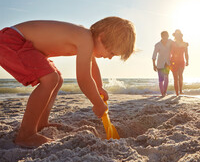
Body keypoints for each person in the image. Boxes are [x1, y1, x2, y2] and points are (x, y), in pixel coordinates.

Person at [0, 17, 136, 147]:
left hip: (22, 44)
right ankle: (26, 134)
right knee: (50, 78)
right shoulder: (85, 39)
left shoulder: (86, 38)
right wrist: (97, 103)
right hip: (12, 41)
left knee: (57, 79)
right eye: (111, 52)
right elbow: (83, 78)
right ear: (102, 37)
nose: (110, 58)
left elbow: (92, 67)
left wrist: (99, 87)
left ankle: (41, 123)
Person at [152, 31, 172, 97]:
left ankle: (164, 92)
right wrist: (154, 65)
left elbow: (176, 43)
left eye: (166, 35)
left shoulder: (170, 42)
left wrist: (185, 44)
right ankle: (162, 93)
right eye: (164, 35)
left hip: (167, 63)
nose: (165, 37)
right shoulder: (157, 45)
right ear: (161, 36)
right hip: (160, 64)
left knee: (166, 77)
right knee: (161, 79)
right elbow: (154, 55)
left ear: (168, 36)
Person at [170, 29, 189, 96]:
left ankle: (180, 90)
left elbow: (186, 53)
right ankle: (177, 92)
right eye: (176, 35)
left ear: (181, 36)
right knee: (175, 77)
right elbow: (169, 53)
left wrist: (187, 61)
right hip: (173, 62)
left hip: (181, 61)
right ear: (175, 36)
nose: (178, 36)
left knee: (180, 76)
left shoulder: (184, 44)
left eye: (179, 35)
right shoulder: (172, 44)